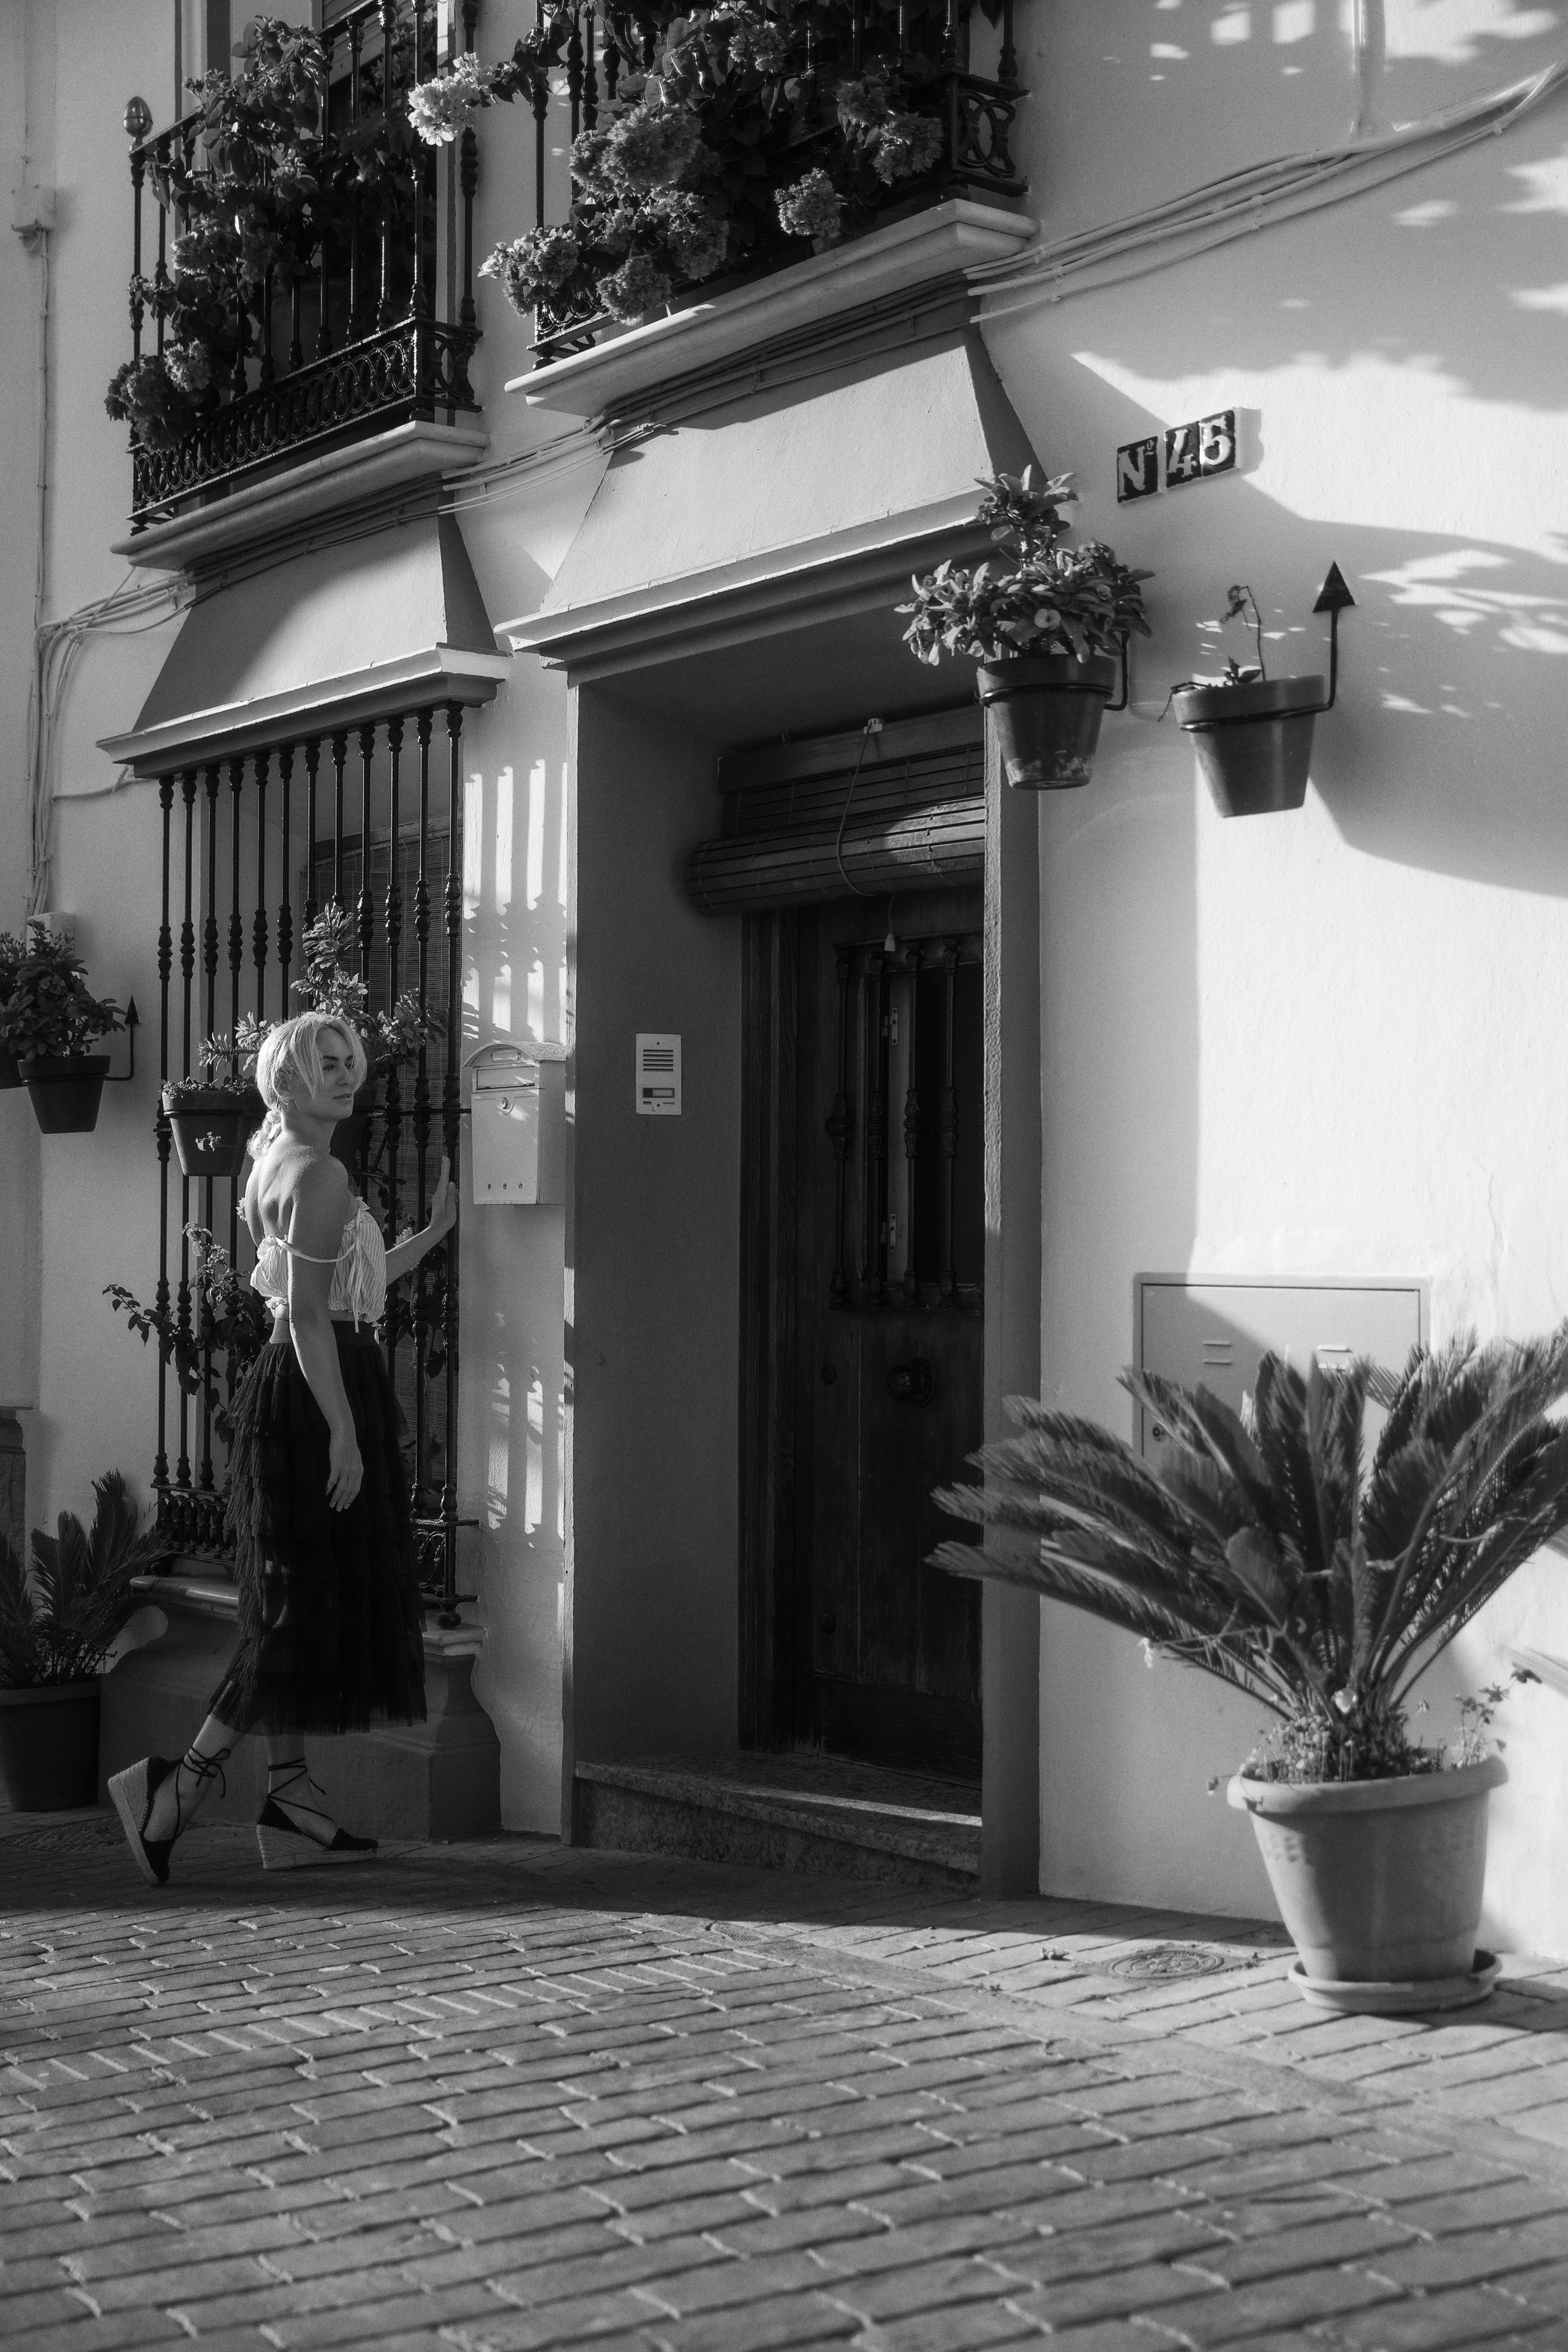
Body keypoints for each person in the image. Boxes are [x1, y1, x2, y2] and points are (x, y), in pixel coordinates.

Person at [109, 1011, 456, 1882]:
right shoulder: (320, 1170)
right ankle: (175, 1790)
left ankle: (292, 1793)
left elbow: (342, 1288)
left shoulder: (278, 1162)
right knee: (297, 1612)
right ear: (287, 1082)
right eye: (325, 1064)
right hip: (318, 1391)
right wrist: (343, 1428)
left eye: (350, 1061)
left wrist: (433, 1234)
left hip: (305, 1380)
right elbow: (309, 1315)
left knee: (300, 1597)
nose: (346, 1075)